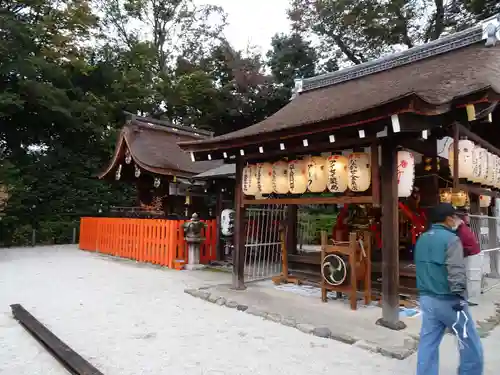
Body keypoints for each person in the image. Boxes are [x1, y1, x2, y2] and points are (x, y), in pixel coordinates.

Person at [415, 203, 483, 375]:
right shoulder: (451, 239)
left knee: (428, 342)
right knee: (469, 341)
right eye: (454, 217)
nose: (456, 220)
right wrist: (460, 296)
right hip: (449, 300)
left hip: (427, 298)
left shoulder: (422, 238)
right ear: (448, 219)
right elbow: (456, 270)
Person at [455, 210, 481, 305]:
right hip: (471, 253)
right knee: (468, 276)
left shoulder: (460, 229)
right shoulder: (464, 227)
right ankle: (466, 298)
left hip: (470, 255)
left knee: (467, 276)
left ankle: (465, 299)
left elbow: (459, 245)